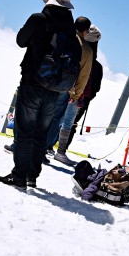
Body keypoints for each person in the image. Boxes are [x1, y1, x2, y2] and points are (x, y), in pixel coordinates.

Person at [0, 0, 79, 189]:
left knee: (24, 130)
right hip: (55, 88)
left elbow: (21, 41)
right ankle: (32, 175)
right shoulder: (71, 30)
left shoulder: (39, 19)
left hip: (33, 81)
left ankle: (19, 176)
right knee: (41, 132)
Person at [49, 17, 94, 166]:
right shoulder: (87, 49)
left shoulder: (62, 37)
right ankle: (48, 148)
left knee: (44, 114)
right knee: (58, 120)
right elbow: (84, 75)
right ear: (86, 31)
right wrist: (76, 94)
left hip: (48, 80)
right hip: (67, 87)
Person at [61, 25, 103, 155]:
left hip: (65, 89)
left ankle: (49, 145)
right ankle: (62, 149)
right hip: (81, 98)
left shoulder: (72, 52)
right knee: (71, 123)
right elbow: (95, 88)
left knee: (56, 117)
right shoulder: (96, 65)